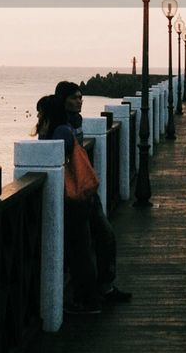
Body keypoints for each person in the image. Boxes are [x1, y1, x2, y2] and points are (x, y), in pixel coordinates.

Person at [36, 94, 132, 313]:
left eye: (40, 112)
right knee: (89, 243)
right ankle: (100, 290)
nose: (38, 116)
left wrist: (46, 136)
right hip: (83, 194)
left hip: (73, 197)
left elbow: (59, 149)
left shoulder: (59, 132)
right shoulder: (67, 127)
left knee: (80, 249)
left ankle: (87, 300)